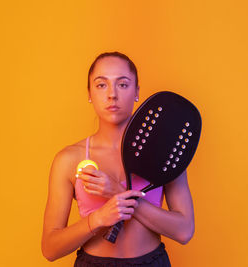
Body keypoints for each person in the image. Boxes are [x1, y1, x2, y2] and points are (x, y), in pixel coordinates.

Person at [41, 52, 195, 266]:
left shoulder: (164, 152)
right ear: (89, 93)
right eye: (101, 85)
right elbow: (50, 248)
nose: (112, 95)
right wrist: (97, 219)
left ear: (137, 92)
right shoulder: (68, 159)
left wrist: (118, 192)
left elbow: (184, 231)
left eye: (122, 85)